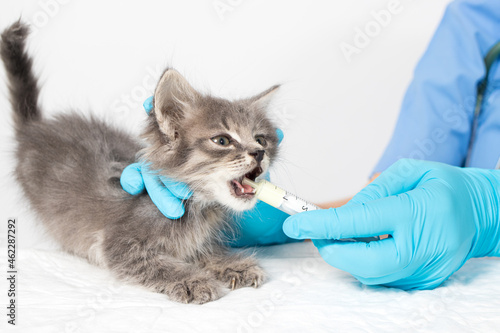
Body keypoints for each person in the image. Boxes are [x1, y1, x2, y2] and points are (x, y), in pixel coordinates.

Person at [120, 0, 500, 290]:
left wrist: (489, 211)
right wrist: (285, 218)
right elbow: (403, 190)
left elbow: (455, 204)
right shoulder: (475, 17)